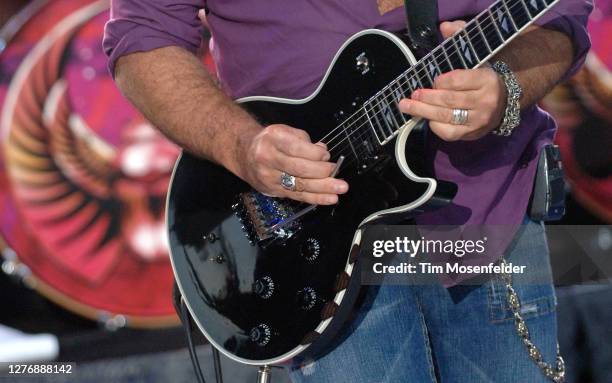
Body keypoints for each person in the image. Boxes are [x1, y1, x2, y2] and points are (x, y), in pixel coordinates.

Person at [104, 0, 592, 381]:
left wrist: (507, 84)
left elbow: (560, 18)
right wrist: (241, 144)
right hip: (305, 233)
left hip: (486, 207)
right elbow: (142, 37)